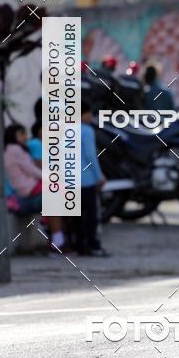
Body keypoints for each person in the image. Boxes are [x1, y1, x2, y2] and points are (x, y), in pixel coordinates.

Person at [3, 123, 65, 250]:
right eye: (22, 134)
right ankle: (57, 238)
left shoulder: (13, 149)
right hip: (26, 190)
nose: (25, 137)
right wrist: (50, 178)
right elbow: (31, 169)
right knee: (58, 194)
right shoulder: (15, 149)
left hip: (28, 188)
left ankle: (52, 230)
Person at [76, 99, 107, 256]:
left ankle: (80, 246)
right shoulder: (86, 130)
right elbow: (90, 155)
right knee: (91, 214)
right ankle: (93, 245)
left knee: (77, 216)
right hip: (86, 178)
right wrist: (99, 176)